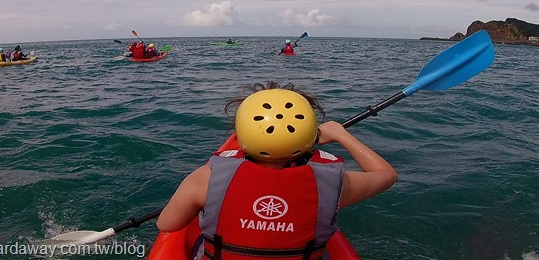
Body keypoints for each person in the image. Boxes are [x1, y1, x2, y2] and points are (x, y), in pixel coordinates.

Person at [157, 82, 398, 259]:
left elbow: (166, 224)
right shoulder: (335, 184)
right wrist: (341, 134)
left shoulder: (205, 178)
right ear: (311, 134)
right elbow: (386, 175)